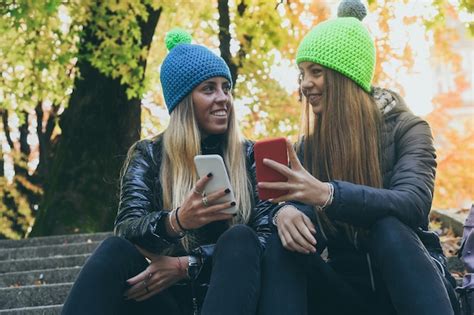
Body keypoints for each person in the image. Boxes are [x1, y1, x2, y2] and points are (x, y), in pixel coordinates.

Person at [257, 1, 459, 315]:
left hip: (409, 285)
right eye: (302, 74)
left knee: (388, 227)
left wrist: (329, 194)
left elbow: (413, 203)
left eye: (316, 72)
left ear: (344, 77)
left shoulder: (409, 128)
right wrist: (284, 213)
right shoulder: (309, 147)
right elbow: (298, 209)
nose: (304, 83)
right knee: (281, 242)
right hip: (344, 293)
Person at [62, 29, 273, 315]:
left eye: (226, 87)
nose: (223, 98)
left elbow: (267, 240)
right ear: (184, 102)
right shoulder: (148, 154)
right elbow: (127, 228)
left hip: (236, 297)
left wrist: (187, 266)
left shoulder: (250, 155)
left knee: (240, 238)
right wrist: (176, 222)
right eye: (209, 88)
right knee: (114, 250)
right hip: (166, 301)